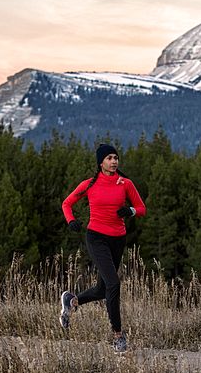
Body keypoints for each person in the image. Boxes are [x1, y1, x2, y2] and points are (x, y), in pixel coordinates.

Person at [60, 143, 146, 352]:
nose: (114, 161)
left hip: (118, 239)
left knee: (102, 289)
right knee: (114, 283)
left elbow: (142, 208)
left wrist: (130, 211)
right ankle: (118, 336)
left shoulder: (125, 183)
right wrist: (71, 221)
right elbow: (66, 204)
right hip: (96, 237)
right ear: (101, 162)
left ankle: (71, 301)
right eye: (109, 158)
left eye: (116, 157)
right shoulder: (90, 184)